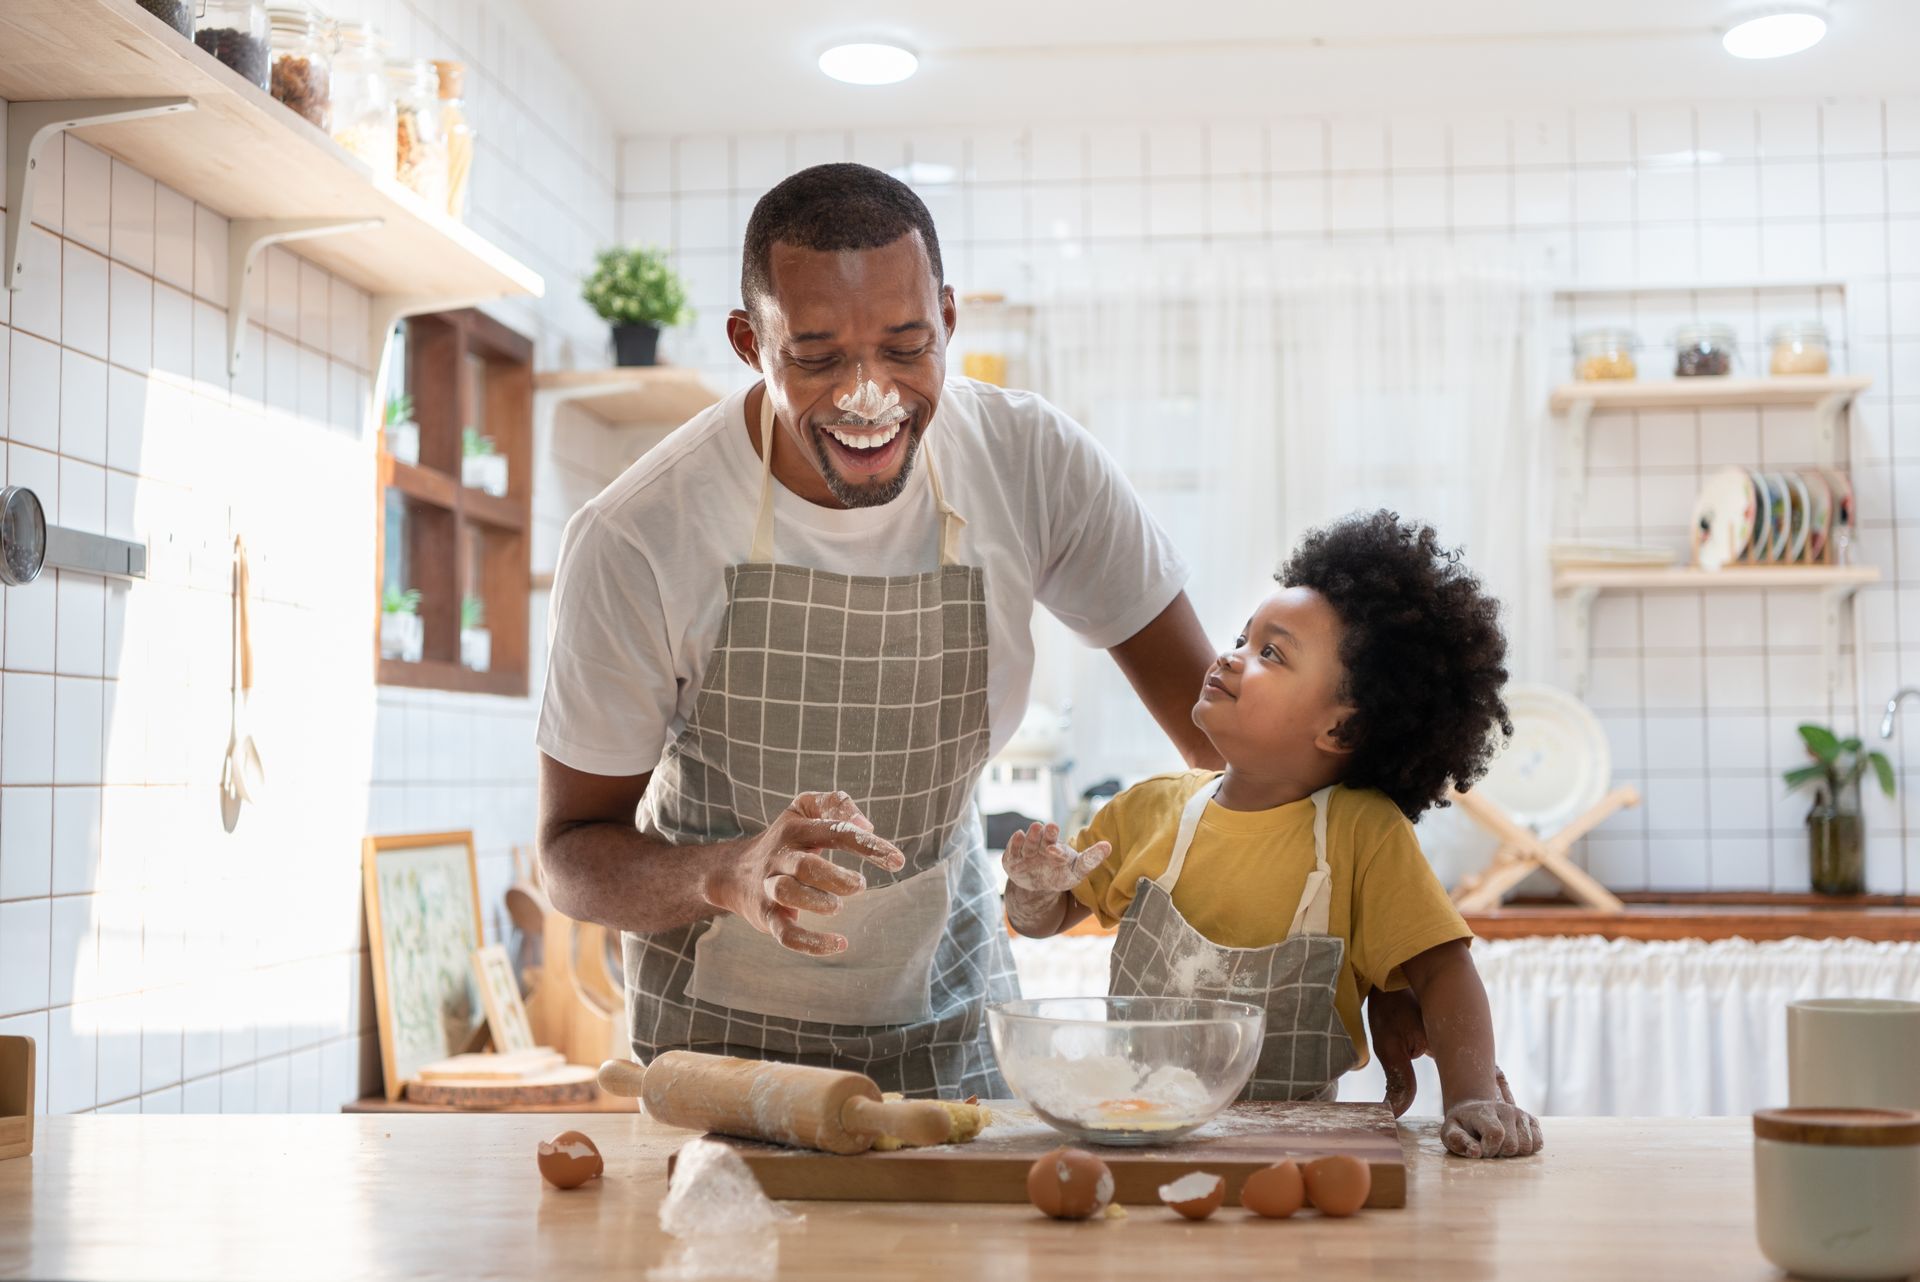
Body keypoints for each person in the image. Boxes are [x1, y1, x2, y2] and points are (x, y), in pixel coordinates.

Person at [533, 163, 1220, 1097]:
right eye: (816, 357)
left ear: (947, 316)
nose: (870, 396)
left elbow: (1226, 749)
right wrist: (730, 872)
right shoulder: (640, 532)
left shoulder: (1029, 462)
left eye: (907, 347)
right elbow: (572, 857)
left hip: (952, 1029)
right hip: (719, 1053)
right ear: (749, 342)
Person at [1002, 510, 1544, 1157]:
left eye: (1270, 653)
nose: (1230, 656)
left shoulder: (1361, 835)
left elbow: (1443, 973)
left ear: (1339, 728)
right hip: (1139, 1133)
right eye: (1241, 637)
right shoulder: (1149, 810)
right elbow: (1047, 917)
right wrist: (1032, 893)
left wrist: (1469, 1095)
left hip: (1294, 1150)